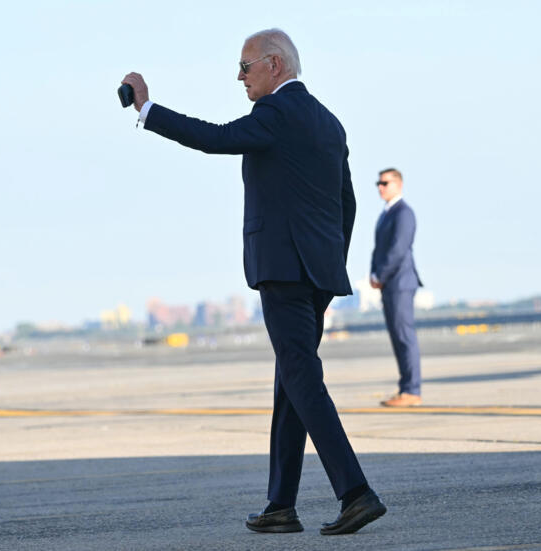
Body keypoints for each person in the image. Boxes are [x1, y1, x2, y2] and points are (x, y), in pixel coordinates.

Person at [122, 28, 385, 536]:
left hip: (283, 273)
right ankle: (280, 505)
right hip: (315, 276)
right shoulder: (329, 122)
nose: (238, 77)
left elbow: (216, 138)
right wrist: (330, 269)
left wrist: (149, 110)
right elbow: (345, 203)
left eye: (245, 67)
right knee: (291, 383)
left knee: (303, 382)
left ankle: (355, 493)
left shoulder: (275, 114)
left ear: (275, 65)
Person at [369, 168, 424, 407]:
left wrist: (380, 274)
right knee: (397, 336)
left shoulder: (404, 213)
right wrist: (373, 274)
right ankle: (406, 388)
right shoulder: (385, 214)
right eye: (378, 184)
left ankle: (412, 390)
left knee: (404, 336)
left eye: (385, 183)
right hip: (388, 284)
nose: (380, 187)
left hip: (400, 283)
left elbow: (398, 249)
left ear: (398, 184)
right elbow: (378, 248)